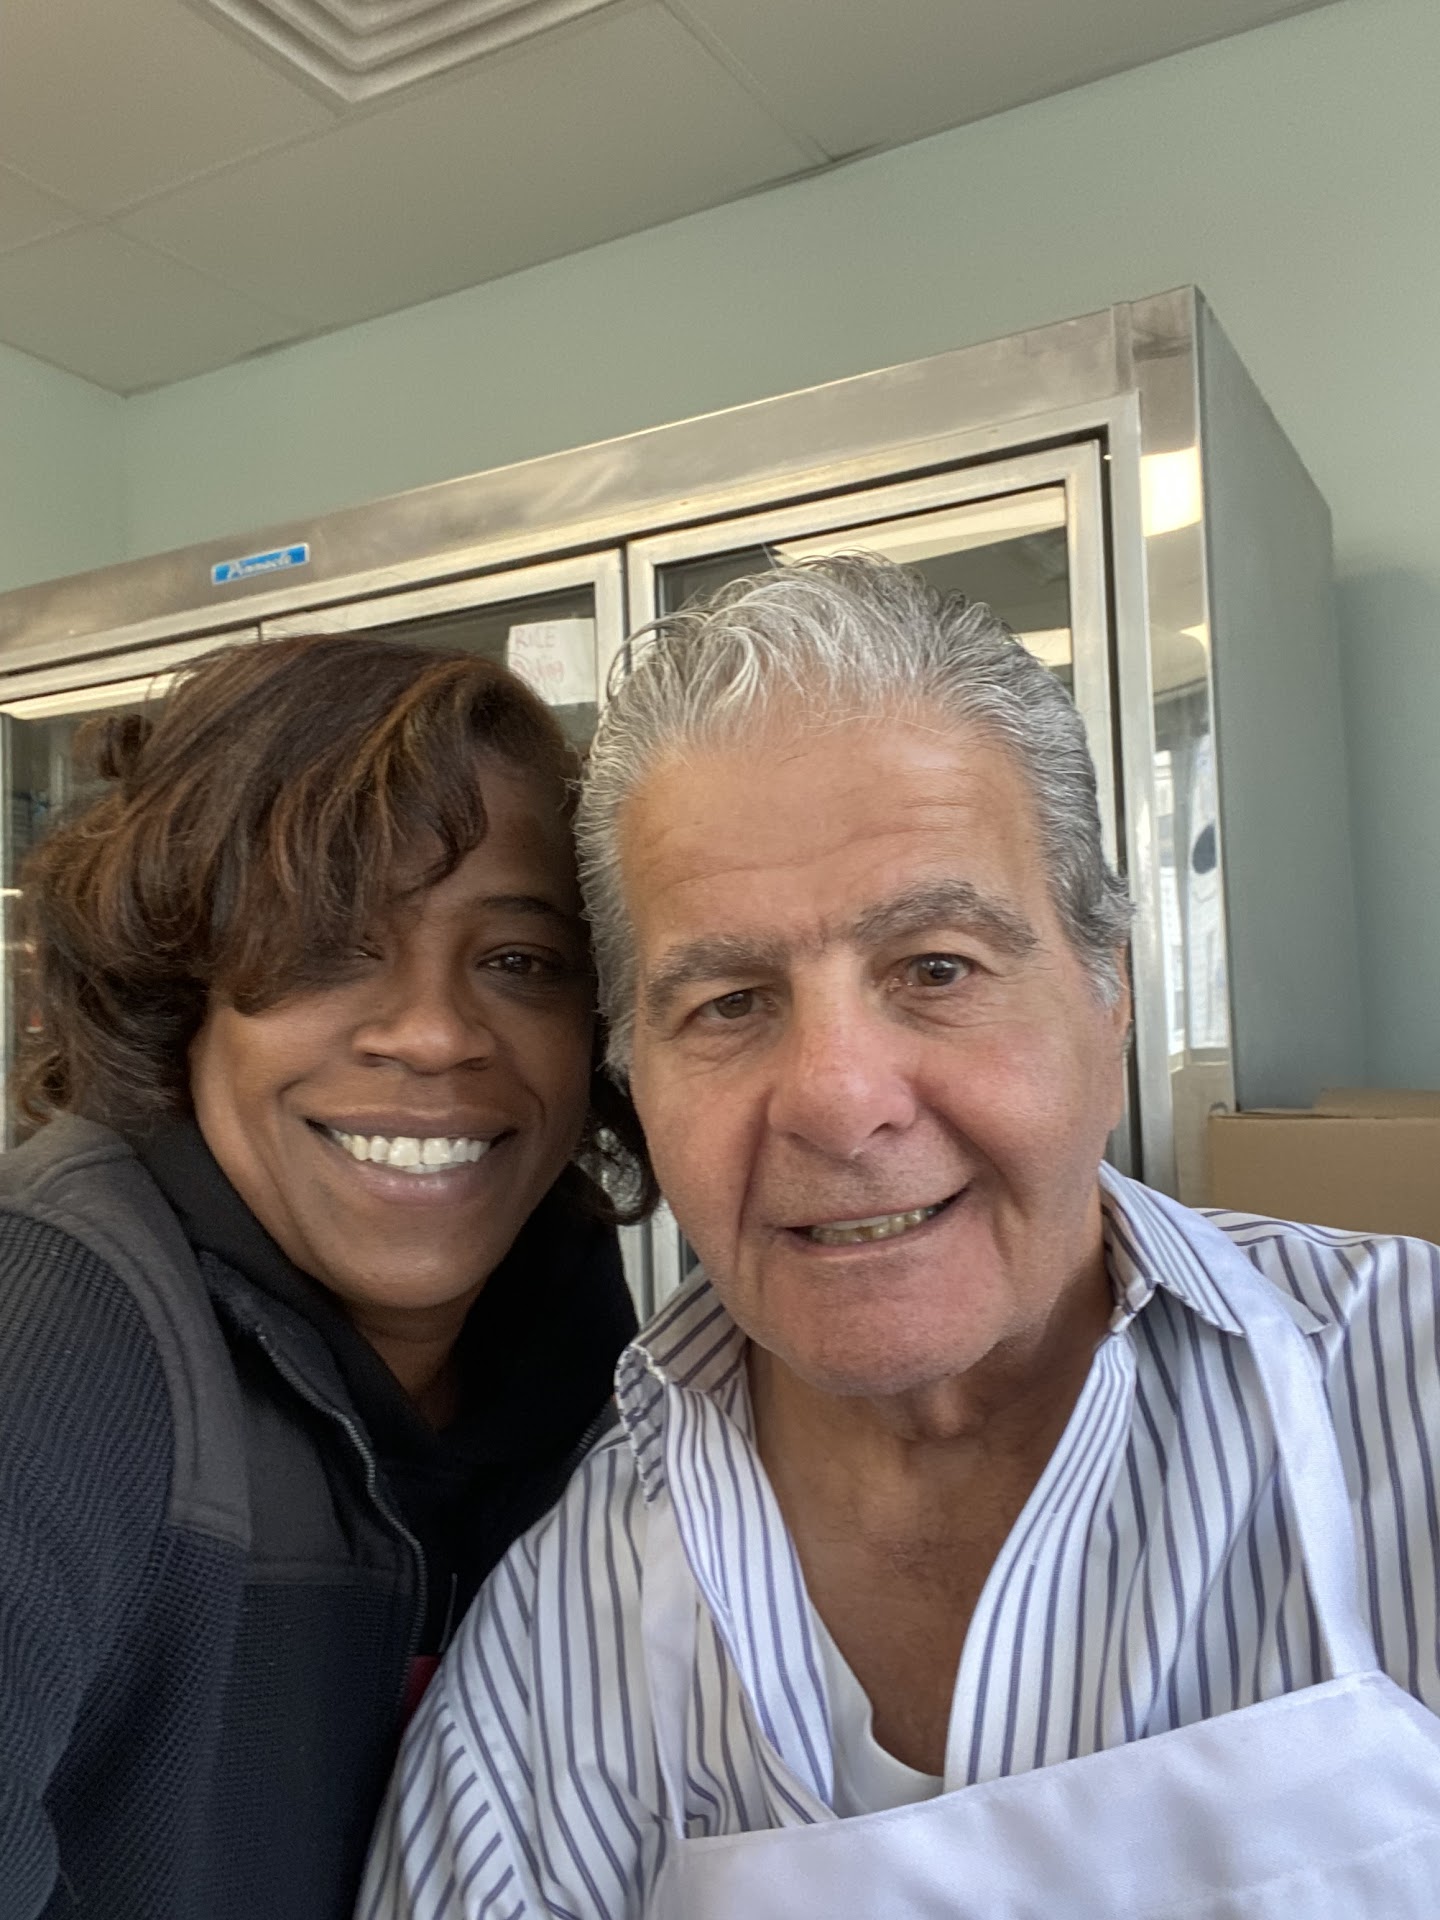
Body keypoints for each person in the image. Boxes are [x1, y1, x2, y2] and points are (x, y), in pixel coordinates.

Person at [363, 556, 1440, 1920]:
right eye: (729, 1002)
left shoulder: (1407, 1393)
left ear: (1108, 995)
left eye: (937, 967)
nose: (836, 1100)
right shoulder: (550, 1655)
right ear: (633, 1071)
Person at [0, 633, 651, 1920]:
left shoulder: (575, 1335)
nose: (433, 1033)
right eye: (328, 944)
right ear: (179, 985)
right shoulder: (54, 1319)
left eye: (519, 962)